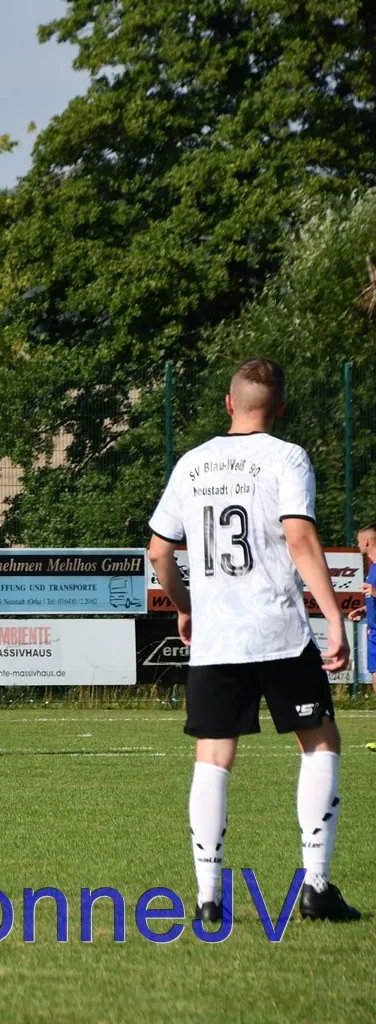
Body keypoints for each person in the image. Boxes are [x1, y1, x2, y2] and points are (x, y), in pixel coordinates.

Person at [148, 357, 359, 924]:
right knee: (320, 742)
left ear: (228, 403)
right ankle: (316, 886)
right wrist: (334, 616)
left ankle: (208, 897)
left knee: (213, 757)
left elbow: (159, 552)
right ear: (280, 409)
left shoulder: (192, 463)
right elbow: (299, 538)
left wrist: (186, 607)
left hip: (217, 639)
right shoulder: (287, 456)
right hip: (279, 632)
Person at [356, 522, 376, 690]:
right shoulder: (372, 568)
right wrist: (363, 611)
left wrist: (374, 592)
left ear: (366, 542)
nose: (358, 545)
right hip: (373, 632)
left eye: (359, 541)